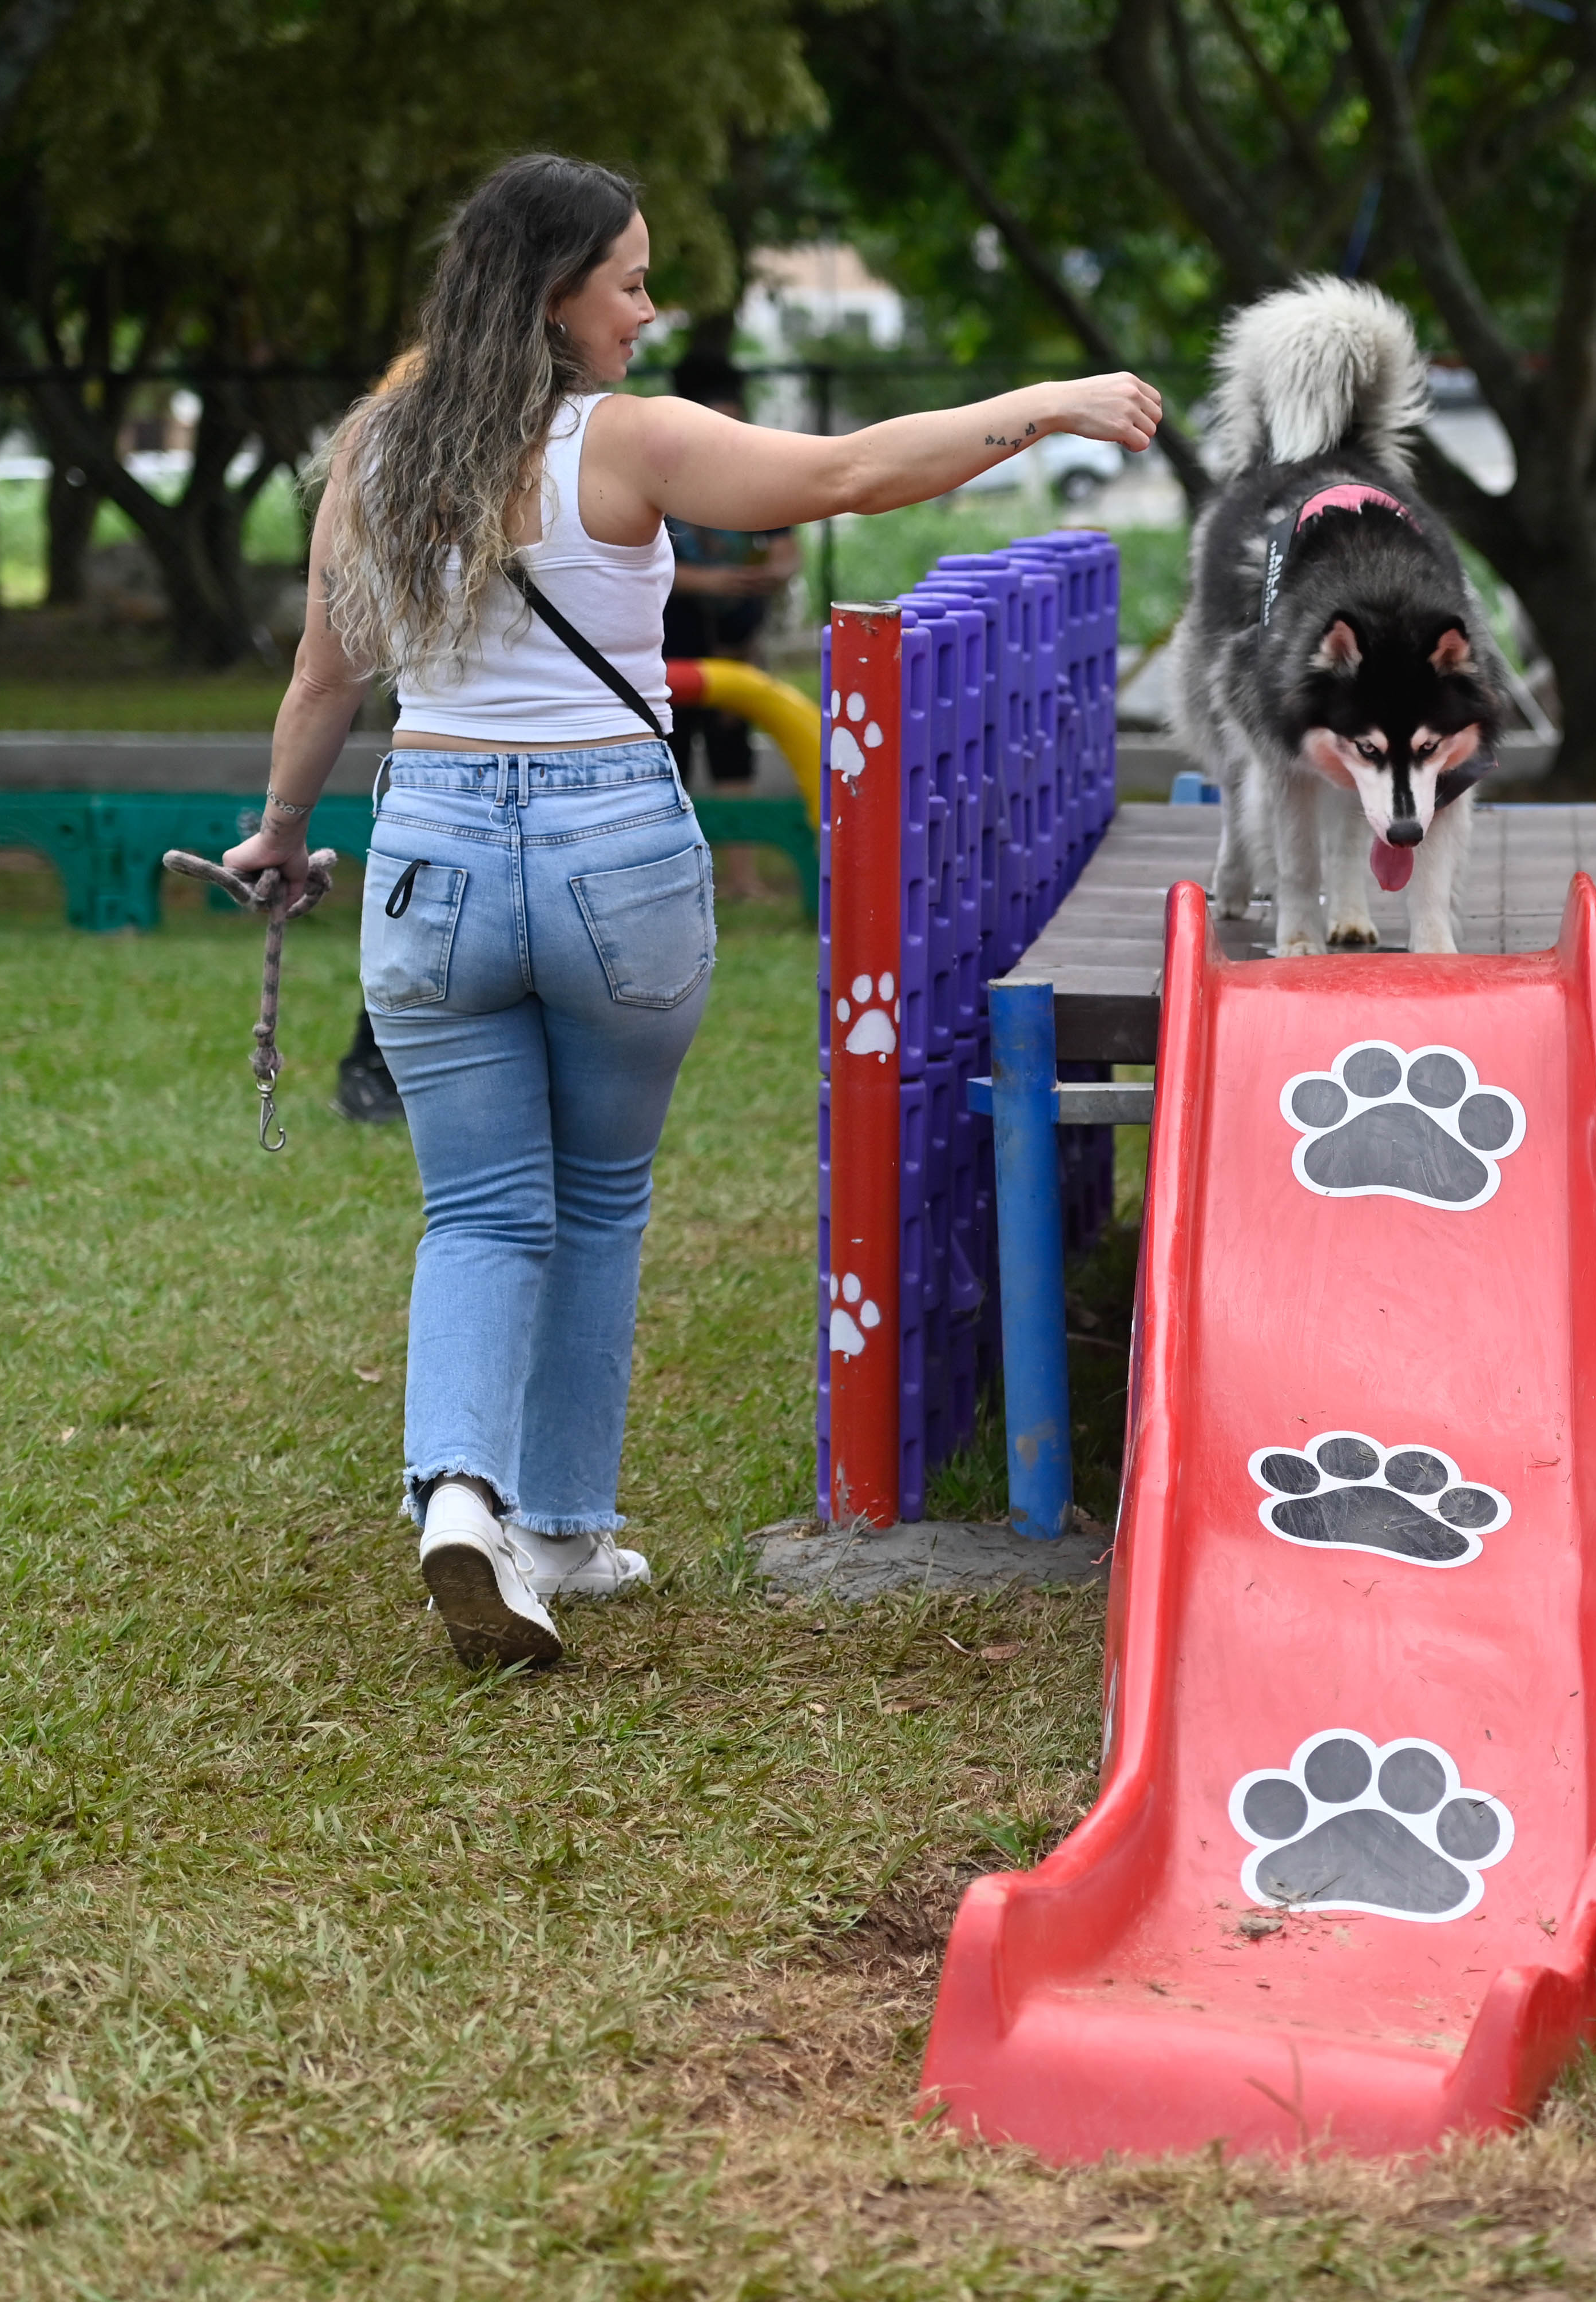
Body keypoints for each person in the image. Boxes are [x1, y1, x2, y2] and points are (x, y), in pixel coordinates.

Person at [224, 153, 1158, 1669]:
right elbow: (851, 473)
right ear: (555, 296)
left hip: (433, 849)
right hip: (615, 855)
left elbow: (327, 674)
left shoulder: (377, 449)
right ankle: (569, 1528)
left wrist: (277, 830)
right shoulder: (631, 444)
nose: (651, 313)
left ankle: (464, 1493)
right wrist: (1046, 404)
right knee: (594, 1200)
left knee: (475, 1213)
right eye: (633, 283)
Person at [657, 350, 802, 788]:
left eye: (733, 421)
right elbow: (642, 568)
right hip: (672, 644)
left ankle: (741, 860)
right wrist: (714, 580)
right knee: (670, 764)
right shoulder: (659, 474)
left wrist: (772, 574)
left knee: (734, 760)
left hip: (737, 643)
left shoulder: (757, 475)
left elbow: (787, 551)